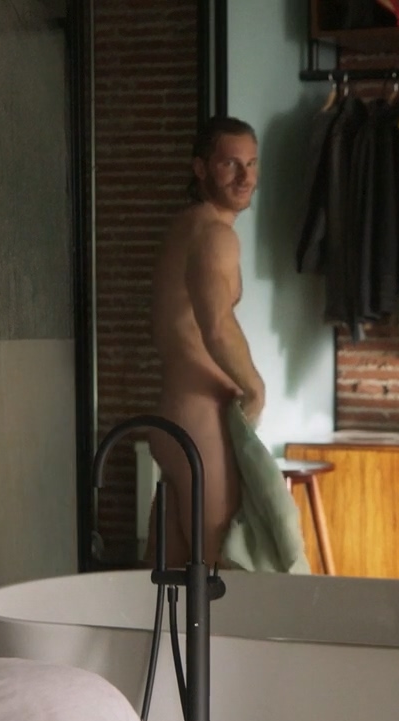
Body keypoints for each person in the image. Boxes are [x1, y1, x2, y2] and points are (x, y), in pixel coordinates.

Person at [149, 116, 264, 568]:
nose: (244, 177)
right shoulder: (215, 235)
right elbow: (215, 324)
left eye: (251, 164)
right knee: (220, 570)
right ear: (200, 168)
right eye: (230, 164)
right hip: (200, 421)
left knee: (165, 582)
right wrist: (255, 388)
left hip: (176, 414)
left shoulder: (188, 226)